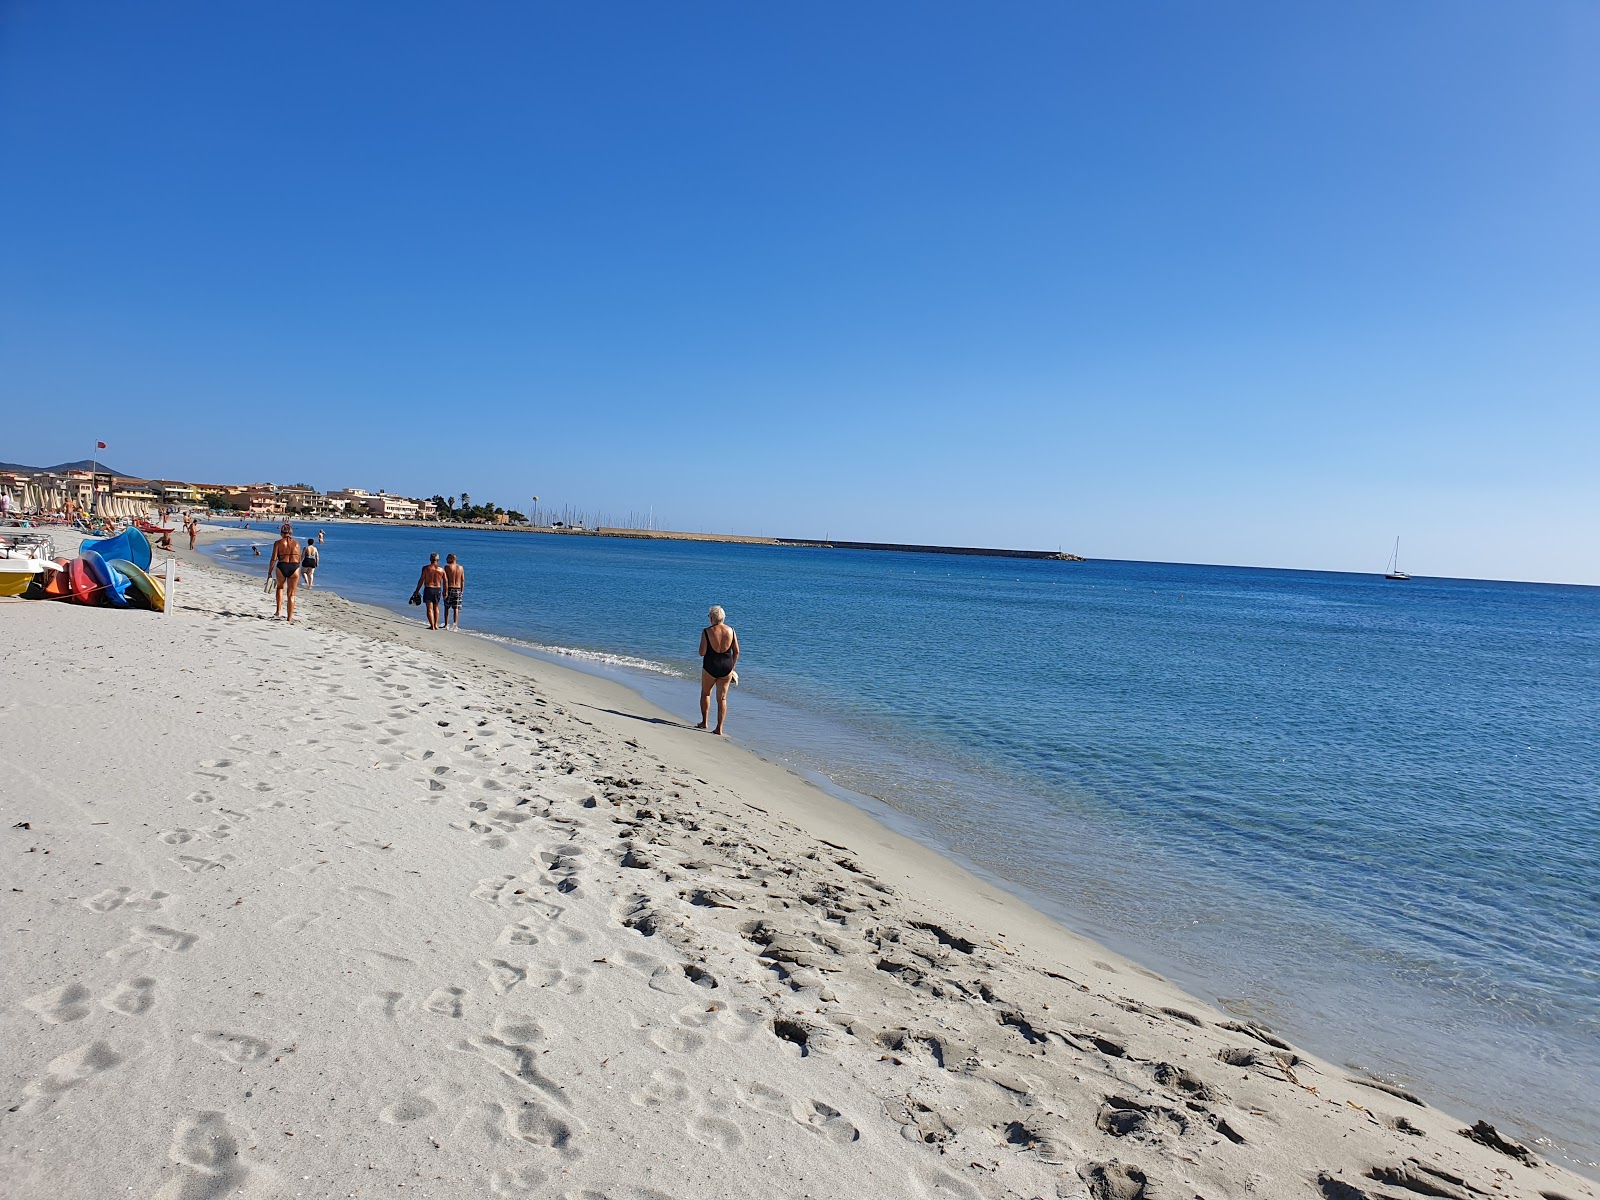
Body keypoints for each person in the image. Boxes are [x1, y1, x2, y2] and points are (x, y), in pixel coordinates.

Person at [696, 605, 740, 735]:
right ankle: (719, 728)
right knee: (722, 698)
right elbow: (736, 652)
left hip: (710, 665)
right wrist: (732, 668)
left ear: (712, 618)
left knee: (706, 693)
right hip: (726, 666)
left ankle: (704, 722)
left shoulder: (706, 631)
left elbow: (701, 652)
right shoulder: (731, 630)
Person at [268, 522, 304, 622]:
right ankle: (289, 618)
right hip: (294, 567)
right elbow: (299, 559)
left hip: (282, 565)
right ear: (291, 533)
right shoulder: (297, 543)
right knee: (291, 594)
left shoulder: (278, 543)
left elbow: (273, 559)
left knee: (280, 588)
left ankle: (278, 611)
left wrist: (269, 572)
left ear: (281, 532)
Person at [415, 553, 446, 630]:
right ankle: (436, 625)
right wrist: (445, 591)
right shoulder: (441, 569)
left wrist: (417, 590)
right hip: (437, 589)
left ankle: (432, 625)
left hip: (429, 588)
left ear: (430, 559)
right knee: (436, 607)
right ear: (438, 560)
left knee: (429, 608)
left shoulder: (426, 568)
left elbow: (421, 580)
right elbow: (446, 581)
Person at [442, 553, 465, 630]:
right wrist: (462, 591)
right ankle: (455, 625)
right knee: (456, 608)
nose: (446, 560)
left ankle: (446, 625)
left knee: (447, 607)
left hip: (450, 588)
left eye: (448, 558)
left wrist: (444, 590)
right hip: (458, 589)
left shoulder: (447, 567)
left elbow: (445, 580)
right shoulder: (461, 568)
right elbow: (462, 581)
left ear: (452, 559)